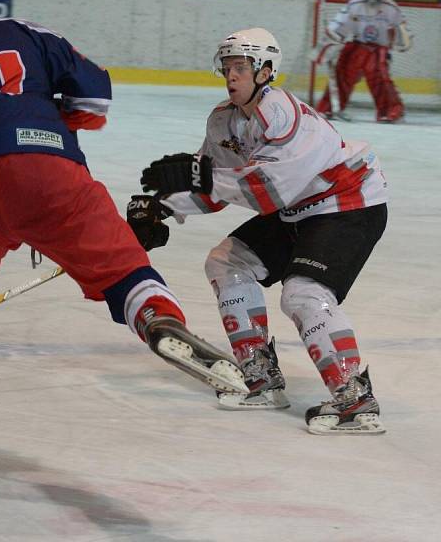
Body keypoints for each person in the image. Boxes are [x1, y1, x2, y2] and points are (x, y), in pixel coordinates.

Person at [0, 0, 246, 480]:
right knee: (121, 265)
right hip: (49, 166)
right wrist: (50, 124)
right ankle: (160, 321)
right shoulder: (27, 31)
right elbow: (94, 93)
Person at [128, 28, 388, 435]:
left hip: (347, 203)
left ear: (266, 71)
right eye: (227, 67)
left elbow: (267, 192)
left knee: (303, 292)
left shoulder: (284, 116)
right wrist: (161, 207)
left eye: (241, 67)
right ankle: (260, 376)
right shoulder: (223, 121)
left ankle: (354, 399)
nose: (231, 76)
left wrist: (205, 179)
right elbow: (211, 189)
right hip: (295, 210)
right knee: (226, 262)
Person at [316, 0, 412, 122]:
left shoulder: (390, 7)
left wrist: (405, 42)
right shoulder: (355, 4)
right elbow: (339, 24)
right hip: (357, 45)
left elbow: (401, 26)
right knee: (342, 74)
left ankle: (390, 111)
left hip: (379, 48)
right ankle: (328, 109)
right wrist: (332, 36)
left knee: (381, 79)